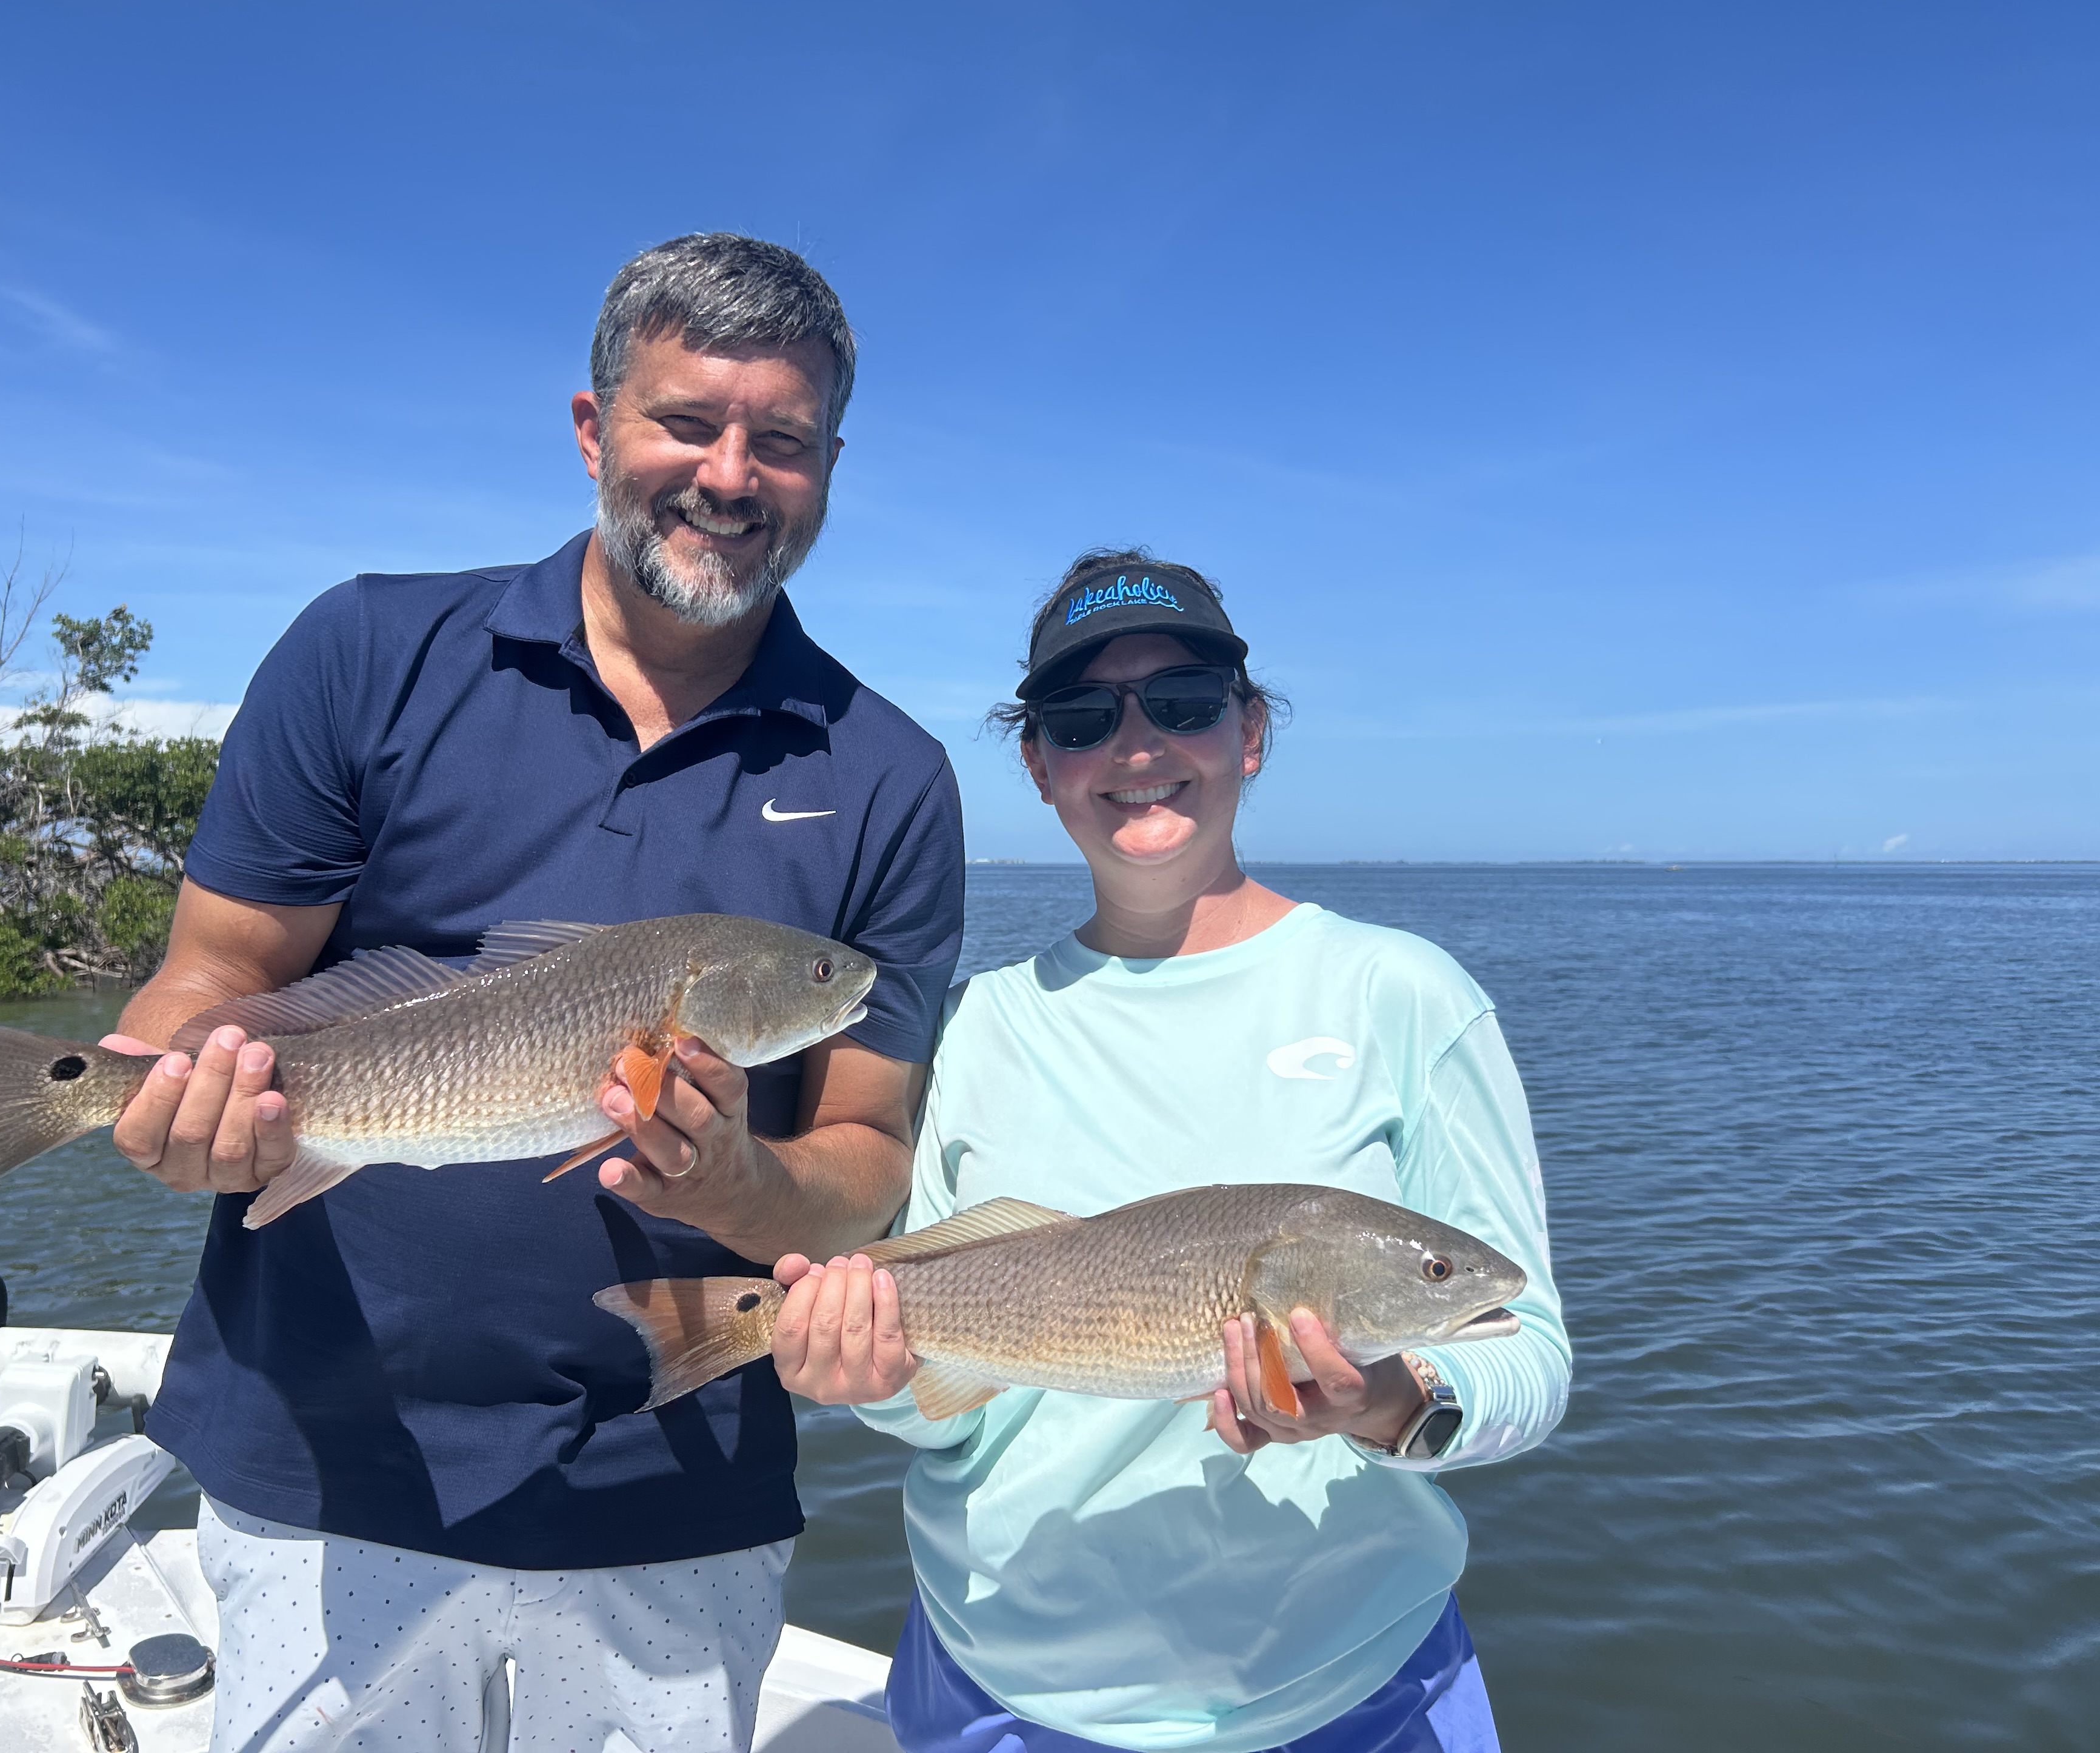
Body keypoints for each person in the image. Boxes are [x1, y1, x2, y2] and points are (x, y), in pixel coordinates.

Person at [95, 235, 964, 1752]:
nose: (731, 474)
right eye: (687, 422)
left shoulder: (891, 776)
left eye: (784, 441)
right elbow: (220, 976)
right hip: (319, 1461)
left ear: (831, 468)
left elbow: (867, 1178)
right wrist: (166, 1090)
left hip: (673, 1494)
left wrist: (743, 1176)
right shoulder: (370, 652)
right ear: (593, 429)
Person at [770, 550, 1569, 1753]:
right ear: (1039, 768)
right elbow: (947, 1415)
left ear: (1250, 731)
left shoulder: (1403, 996)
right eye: (1085, 719)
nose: (1138, 747)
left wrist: (1390, 1400)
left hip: (1355, 1698)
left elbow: (1529, 1350)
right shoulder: (973, 1027)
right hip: (1005, 1695)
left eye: (1184, 704)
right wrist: (872, 1378)